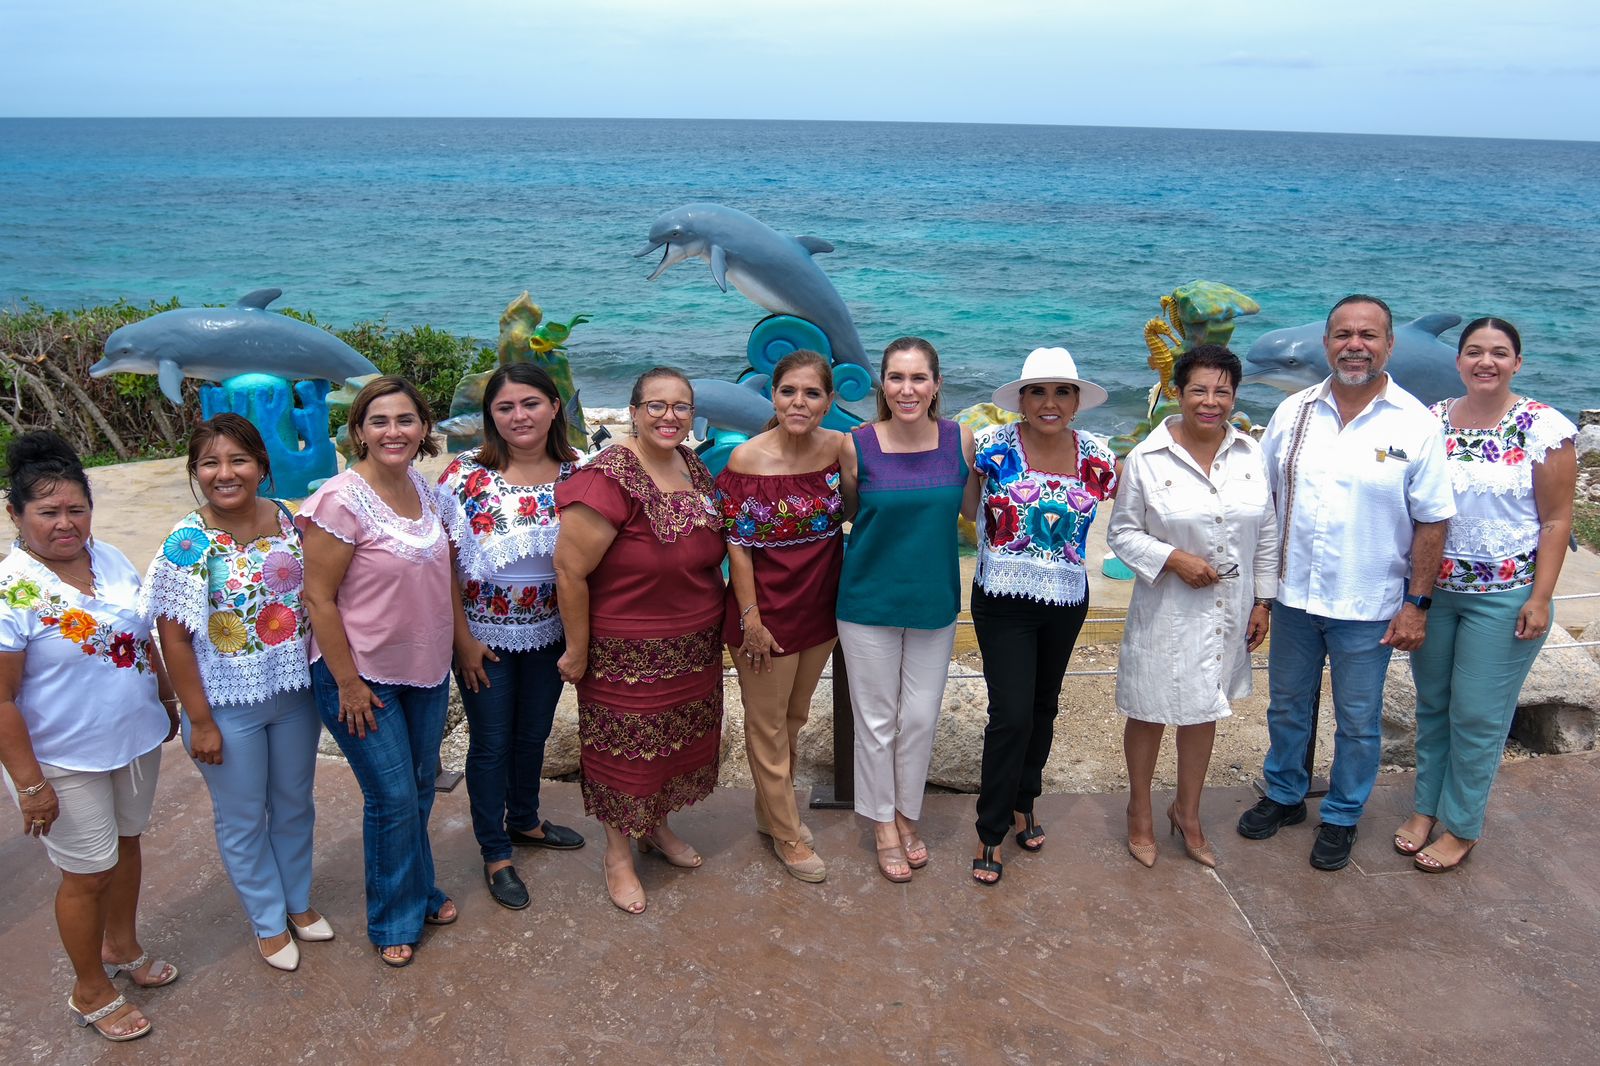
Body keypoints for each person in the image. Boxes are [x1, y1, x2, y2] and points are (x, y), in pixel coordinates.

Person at [1238, 294, 1455, 872]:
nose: (1354, 345)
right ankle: (1284, 794)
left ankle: (1341, 814)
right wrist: (1257, 591)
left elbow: (1434, 520)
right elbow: (1262, 501)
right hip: (1295, 598)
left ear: (1388, 345)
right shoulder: (1294, 413)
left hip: (1370, 602)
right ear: (1328, 342)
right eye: (1342, 334)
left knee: (1358, 720)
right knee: (1286, 706)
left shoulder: (1415, 422)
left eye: (1368, 335)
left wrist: (1417, 604)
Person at [0, 432, 180, 1042]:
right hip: (60, 758)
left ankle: (120, 947)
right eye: (47, 513)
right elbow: (1, 697)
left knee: (126, 846)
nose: (64, 524)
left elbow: (140, 633)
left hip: (132, 739)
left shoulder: (110, 560)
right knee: (86, 873)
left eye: (76, 509)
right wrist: (30, 785)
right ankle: (89, 988)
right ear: (15, 514)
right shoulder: (13, 589)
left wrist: (164, 693)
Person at [143, 415, 330, 971]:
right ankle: (268, 921)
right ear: (196, 472)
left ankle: (296, 902)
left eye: (238, 460)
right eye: (209, 463)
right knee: (243, 815)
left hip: (293, 692)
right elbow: (173, 639)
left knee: (295, 803)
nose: (225, 474)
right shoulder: (187, 542)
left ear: (262, 467)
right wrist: (199, 721)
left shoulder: (288, 520)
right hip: (226, 705)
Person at [1394, 318, 1578, 872]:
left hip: (1505, 595)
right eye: (1474, 351)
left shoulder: (1543, 427)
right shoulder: (1432, 420)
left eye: (1499, 353)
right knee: (1433, 705)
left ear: (1517, 363)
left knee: (1478, 715)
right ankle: (1425, 807)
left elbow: (1557, 521)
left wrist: (1541, 597)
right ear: (1458, 362)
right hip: (1435, 590)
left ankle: (1463, 824)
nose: (1486, 362)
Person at [554, 367, 726, 914]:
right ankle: (617, 853)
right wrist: (578, 649)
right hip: (625, 652)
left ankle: (657, 828)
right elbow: (568, 570)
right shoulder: (609, 475)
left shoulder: (692, 466)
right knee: (624, 754)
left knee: (671, 747)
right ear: (632, 411)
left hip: (691, 645)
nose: (669, 416)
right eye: (656, 405)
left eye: (681, 407)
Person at [300, 376, 457, 967]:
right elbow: (318, 599)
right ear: (359, 431)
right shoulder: (340, 500)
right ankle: (392, 918)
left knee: (418, 786)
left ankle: (420, 889)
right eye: (379, 421)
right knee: (391, 796)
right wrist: (347, 683)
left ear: (424, 429)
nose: (394, 432)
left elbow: (444, 576)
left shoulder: (425, 489)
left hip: (425, 668)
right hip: (360, 674)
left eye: (406, 420)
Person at [1109, 345, 1276, 869]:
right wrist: (1174, 558)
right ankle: (1140, 811)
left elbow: (1267, 531)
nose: (1211, 402)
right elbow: (1122, 533)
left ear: (1234, 396)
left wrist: (1263, 600)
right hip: (1167, 607)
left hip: (1229, 606)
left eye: (1222, 391)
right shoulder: (1146, 458)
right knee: (1150, 706)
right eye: (1199, 390)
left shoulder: (1251, 454)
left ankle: (1189, 812)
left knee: (1205, 707)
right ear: (1177, 394)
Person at [437, 365, 586, 911]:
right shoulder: (464, 477)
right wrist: (462, 640)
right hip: (485, 639)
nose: (519, 416)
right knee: (492, 743)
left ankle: (524, 820)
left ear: (554, 407)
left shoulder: (581, 472)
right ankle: (495, 851)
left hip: (552, 635)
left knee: (533, 737)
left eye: (530, 404)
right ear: (490, 417)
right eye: (505, 407)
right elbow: (444, 565)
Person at [968, 346, 1118, 885]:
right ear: (1022, 400)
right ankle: (989, 831)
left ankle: (1024, 801)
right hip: (1002, 599)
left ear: (1077, 401)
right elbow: (967, 511)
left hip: (1066, 600)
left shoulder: (1100, 457)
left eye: (1061, 392)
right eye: (1038, 392)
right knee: (1010, 714)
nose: (1049, 403)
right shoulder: (989, 448)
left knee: (1044, 707)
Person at [836, 337, 977, 883]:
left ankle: (905, 810)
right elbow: (850, 513)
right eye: (896, 378)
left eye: (919, 378)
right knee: (876, 721)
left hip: (934, 599)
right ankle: (883, 825)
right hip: (867, 599)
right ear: (882, 386)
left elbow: (976, 507)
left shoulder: (959, 439)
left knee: (918, 718)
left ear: (937, 384)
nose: (907, 389)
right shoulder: (857, 444)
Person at [717, 350, 846, 883]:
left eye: (812, 393)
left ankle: (771, 814)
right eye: (789, 391)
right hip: (763, 614)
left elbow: (859, 511)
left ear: (829, 401)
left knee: (793, 718)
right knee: (767, 724)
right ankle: (788, 833)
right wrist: (751, 618)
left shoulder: (841, 449)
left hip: (820, 609)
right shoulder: (747, 458)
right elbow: (738, 548)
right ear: (772, 396)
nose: (800, 402)